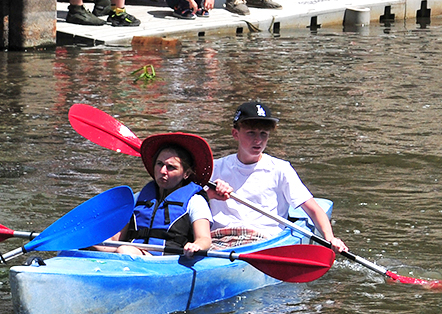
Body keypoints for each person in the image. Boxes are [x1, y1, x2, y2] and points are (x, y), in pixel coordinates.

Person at [206, 101, 347, 252]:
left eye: (263, 134)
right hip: (220, 240)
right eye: (251, 133)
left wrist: (330, 238)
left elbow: (314, 210)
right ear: (235, 134)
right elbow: (191, 202)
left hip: (263, 241)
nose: (258, 140)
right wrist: (209, 194)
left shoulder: (280, 169)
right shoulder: (215, 167)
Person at [109, 133, 215, 257]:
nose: (162, 171)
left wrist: (196, 246)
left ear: (186, 173)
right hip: (134, 253)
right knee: (101, 246)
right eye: (159, 164)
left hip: (169, 260)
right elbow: (115, 239)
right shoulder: (138, 198)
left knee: (124, 250)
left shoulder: (195, 201)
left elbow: (204, 238)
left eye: (171, 167)